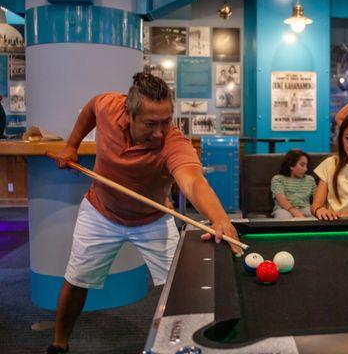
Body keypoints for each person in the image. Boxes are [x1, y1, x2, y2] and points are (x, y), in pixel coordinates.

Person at [46, 73, 241, 354]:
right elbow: (91, 107)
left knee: (182, 287)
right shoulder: (109, 105)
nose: (160, 132)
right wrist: (71, 145)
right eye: (151, 124)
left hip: (153, 221)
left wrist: (219, 219)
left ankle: (186, 344)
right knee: (76, 281)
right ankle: (59, 344)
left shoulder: (174, 142)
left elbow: (193, 182)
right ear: (129, 113)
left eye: (166, 121)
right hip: (101, 212)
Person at [271, 150, 316, 218]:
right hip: (284, 209)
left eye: (306, 165)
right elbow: (281, 200)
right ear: (291, 165)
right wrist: (296, 213)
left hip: (306, 209)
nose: (306, 169)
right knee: (283, 216)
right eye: (302, 165)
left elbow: (317, 199)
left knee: (316, 216)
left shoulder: (310, 179)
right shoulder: (278, 179)